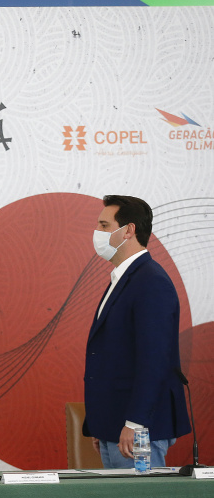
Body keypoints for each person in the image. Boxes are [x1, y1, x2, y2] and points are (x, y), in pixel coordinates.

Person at [83, 195, 190, 468]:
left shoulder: (150, 282)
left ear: (128, 230)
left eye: (105, 225)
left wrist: (135, 424)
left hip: (137, 431)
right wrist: (102, 423)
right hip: (114, 427)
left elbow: (155, 361)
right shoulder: (123, 279)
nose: (98, 232)